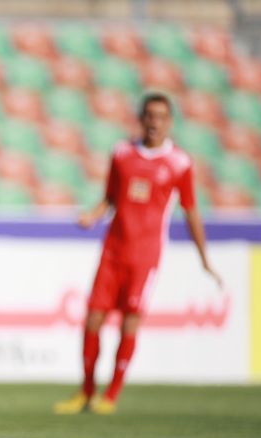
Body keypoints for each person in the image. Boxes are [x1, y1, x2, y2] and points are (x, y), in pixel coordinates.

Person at [54, 93, 222, 415]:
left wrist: (204, 259)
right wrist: (93, 215)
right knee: (93, 318)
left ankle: (111, 395)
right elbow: (110, 197)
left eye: (161, 116)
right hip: (113, 250)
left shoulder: (179, 163)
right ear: (141, 119)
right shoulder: (122, 153)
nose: (155, 122)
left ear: (169, 122)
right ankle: (86, 392)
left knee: (130, 322)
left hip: (146, 256)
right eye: (150, 115)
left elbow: (190, 210)